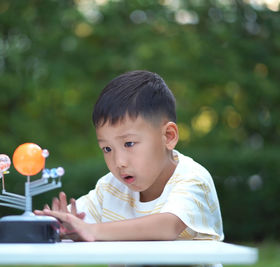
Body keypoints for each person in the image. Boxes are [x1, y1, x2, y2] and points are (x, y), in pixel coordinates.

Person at [35, 70, 224, 242]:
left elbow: (166, 227)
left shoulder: (193, 179)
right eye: (107, 149)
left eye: (129, 144)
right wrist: (61, 225)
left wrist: (92, 230)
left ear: (168, 136)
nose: (119, 162)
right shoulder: (109, 189)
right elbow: (77, 224)